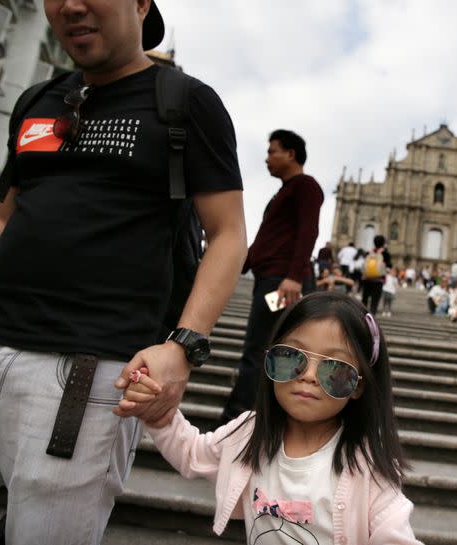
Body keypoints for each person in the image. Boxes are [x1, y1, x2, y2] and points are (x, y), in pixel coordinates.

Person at [0, 2, 248, 544]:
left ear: (140, 3)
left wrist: (183, 346)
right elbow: (4, 223)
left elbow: (227, 235)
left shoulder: (186, 103)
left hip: (84, 377)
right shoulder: (38, 100)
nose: (71, 5)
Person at [123, 292, 421, 544]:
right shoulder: (248, 432)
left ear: (358, 386)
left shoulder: (368, 466)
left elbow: (393, 531)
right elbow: (192, 453)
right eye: (292, 356)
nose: (308, 377)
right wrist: (159, 412)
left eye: (334, 368)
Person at [220, 130, 323, 425]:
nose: (267, 158)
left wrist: (293, 277)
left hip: (281, 282)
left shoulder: (306, 186)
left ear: (290, 154)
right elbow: (266, 239)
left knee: (259, 351)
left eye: (272, 151)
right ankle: (247, 420)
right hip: (270, 278)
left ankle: (233, 423)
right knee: (262, 350)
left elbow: (308, 232)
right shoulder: (283, 192)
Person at [360, 235, 392, 315]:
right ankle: (371, 316)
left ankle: (362, 316)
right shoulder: (385, 253)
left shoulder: (369, 252)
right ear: (383, 243)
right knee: (375, 300)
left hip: (367, 278)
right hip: (378, 280)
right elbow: (389, 266)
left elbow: (363, 264)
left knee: (365, 299)